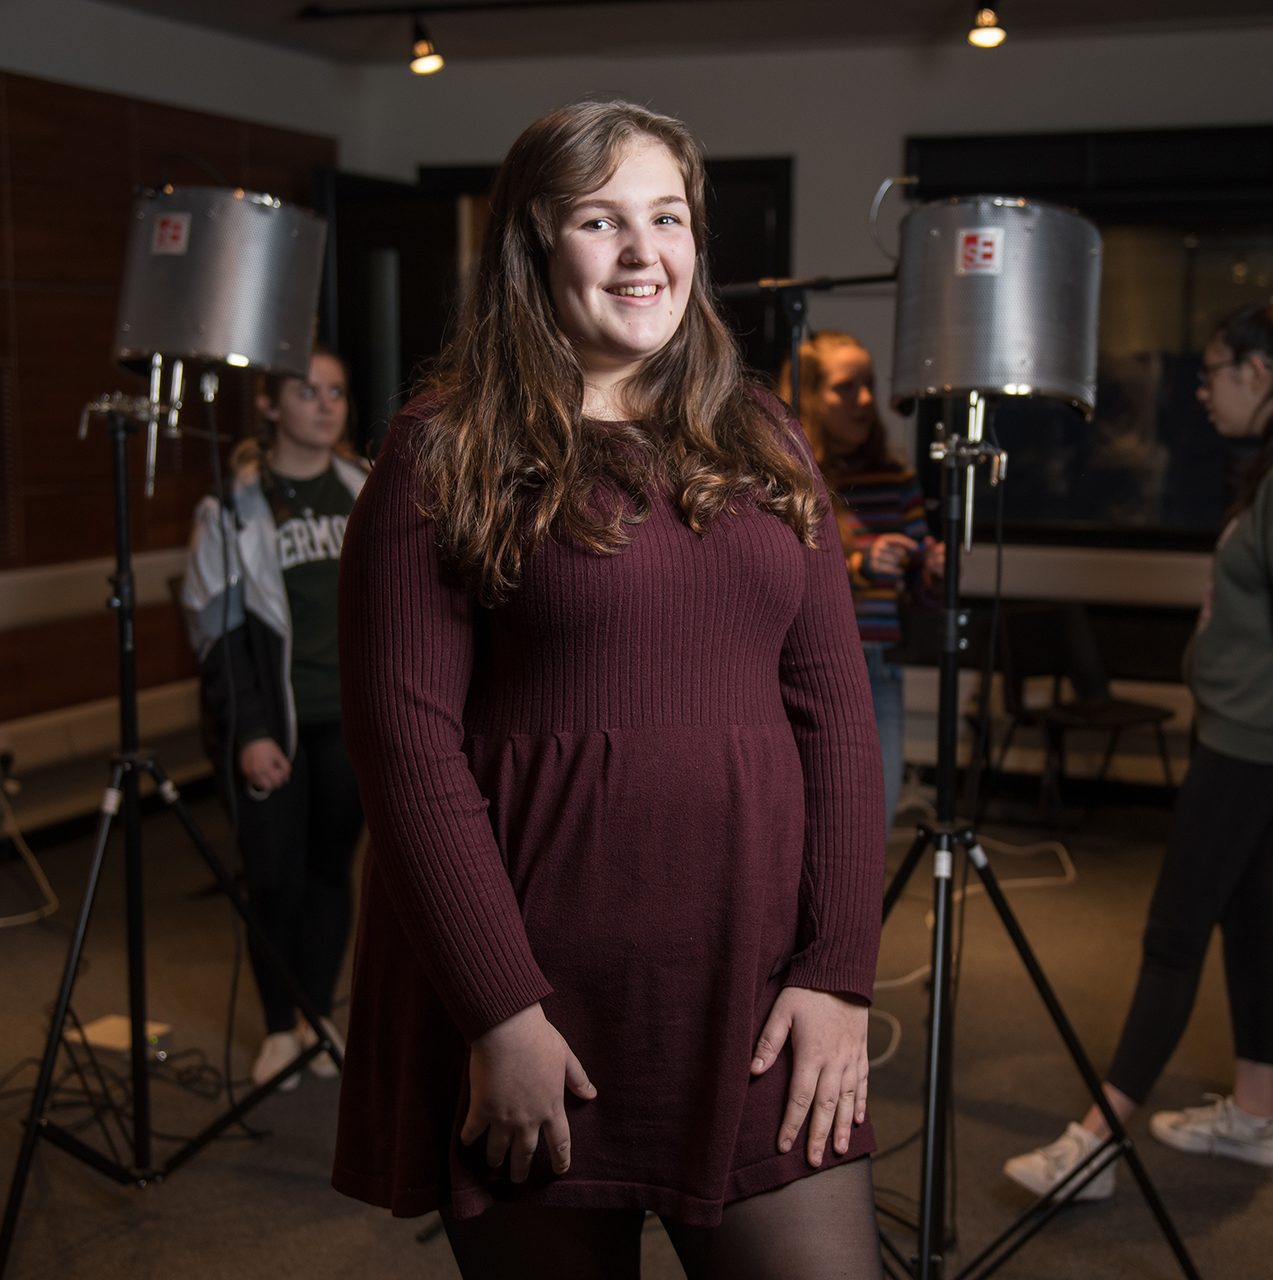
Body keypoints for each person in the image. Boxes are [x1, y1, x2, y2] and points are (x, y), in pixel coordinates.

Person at [330, 101, 886, 1279]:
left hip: (753, 988)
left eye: (668, 217)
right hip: (547, 1002)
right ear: (535, 240)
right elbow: (407, 755)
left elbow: (837, 719)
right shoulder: (445, 449)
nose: (647, 254)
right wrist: (500, 1013)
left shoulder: (766, 437)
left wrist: (839, 969)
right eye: (602, 219)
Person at [1003, 298, 1273, 1198]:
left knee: (1174, 934)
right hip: (1260, 729)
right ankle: (1255, 1118)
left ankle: (1095, 1146)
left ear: (1261, 373)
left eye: (1212, 373)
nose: (1200, 391)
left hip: (1255, 741)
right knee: (1245, 920)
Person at [181, 347, 367, 1090]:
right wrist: (250, 730)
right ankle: (276, 1028)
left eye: (336, 391)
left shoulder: (366, 489)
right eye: (306, 391)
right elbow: (219, 633)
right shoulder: (233, 508)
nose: (324, 405)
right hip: (274, 729)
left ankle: (317, 1016)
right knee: (274, 879)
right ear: (269, 405)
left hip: (345, 723)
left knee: (329, 870)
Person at [787, 331, 941, 831]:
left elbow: (920, 597)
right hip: (799, 669)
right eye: (846, 388)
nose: (867, 400)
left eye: (870, 385)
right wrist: (858, 570)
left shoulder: (894, 478)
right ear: (809, 395)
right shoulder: (787, 475)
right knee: (806, 824)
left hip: (878, 669)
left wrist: (933, 571)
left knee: (871, 824)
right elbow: (780, 584)